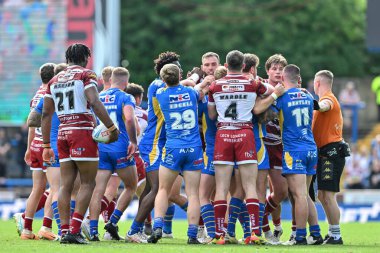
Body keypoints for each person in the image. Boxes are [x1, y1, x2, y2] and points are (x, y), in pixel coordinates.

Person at [41, 43, 118, 244]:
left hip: (63, 134)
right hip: (82, 131)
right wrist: (111, 127)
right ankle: (75, 230)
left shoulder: (54, 80)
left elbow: (46, 113)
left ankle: (65, 230)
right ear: (85, 58)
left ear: (67, 59)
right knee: (87, 182)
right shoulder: (86, 75)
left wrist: (47, 146)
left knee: (66, 185)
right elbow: (94, 101)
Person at [208, 50, 280, 245]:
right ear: (243, 65)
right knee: (251, 186)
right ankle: (254, 233)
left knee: (222, 188)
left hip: (223, 134)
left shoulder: (214, 86)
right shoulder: (253, 83)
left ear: (225, 64)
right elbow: (271, 93)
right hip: (245, 134)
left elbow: (212, 114)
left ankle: (219, 235)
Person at [256, 64, 321, 245]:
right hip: (311, 148)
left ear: (283, 80)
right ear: (298, 79)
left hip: (294, 150)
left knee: (298, 194)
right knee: (306, 194)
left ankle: (299, 236)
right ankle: (315, 234)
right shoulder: (308, 95)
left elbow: (264, 115)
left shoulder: (283, 98)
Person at [147, 63, 206, 244]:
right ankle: (192, 234)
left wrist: (189, 79)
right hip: (194, 148)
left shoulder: (161, 94)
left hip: (173, 147)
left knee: (163, 190)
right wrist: (197, 77)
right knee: (193, 193)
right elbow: (198, 88)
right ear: (179, 76)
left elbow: (186, 83)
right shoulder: (191, 93)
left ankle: (157, 226)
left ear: (163, 79)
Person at [85, 67, 138, 241]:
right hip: (120, 146)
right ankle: (112, 221)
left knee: (98, 190)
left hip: (101, 148)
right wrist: (133, 142)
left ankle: (93, 230)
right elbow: (129, 119)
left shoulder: (98, 97)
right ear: (126, 82)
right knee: (131, 186)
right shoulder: (126, 96)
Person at [17, 63, 55, 240]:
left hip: (36, 144)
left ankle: (26, 229)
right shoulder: (52, 92)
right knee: (56, 188)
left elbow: (31, 124)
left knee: (37, 189)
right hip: (49, 145)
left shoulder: (36, 95)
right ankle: (46, 226)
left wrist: (28, 148)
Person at [312, 70, 349, 244]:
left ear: (317, 83)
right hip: (327, 153)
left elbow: (325, 105)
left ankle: (336, 235)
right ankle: (332, 232)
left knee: (328, 195)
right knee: (322, 194)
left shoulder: (328, 98)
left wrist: (314, 105)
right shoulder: (326, 97)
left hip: (331, 153)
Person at [262, 54, 289, 241]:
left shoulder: (289, 90)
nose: (278, 72)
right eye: (275, 68)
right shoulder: (261, 87)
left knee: (280, 192)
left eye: (281, 69)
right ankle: (267, 230)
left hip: (280, 146)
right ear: (268, 71)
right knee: (256, 191)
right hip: (262, 144)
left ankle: (264, 217)